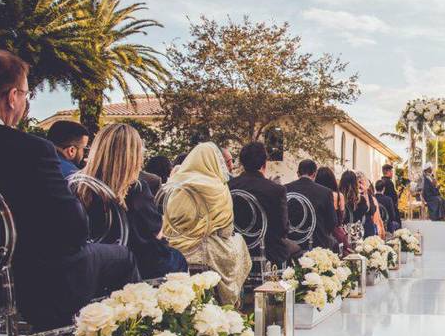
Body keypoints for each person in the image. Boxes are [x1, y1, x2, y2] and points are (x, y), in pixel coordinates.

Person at [0, 50, 139, 328]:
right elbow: (71, 229)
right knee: (122, 256)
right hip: (31, 282)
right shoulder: (31, 150)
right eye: (26, 95)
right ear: (12, 97)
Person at [79, 123, 188, 279]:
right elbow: (154, 233)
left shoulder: (80, 185)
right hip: (134, 265)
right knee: (177, 258)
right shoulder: (135, 188)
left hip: (92, 264)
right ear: (134, 155)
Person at [162, 142, 251, 305]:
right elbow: (226, 230)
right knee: (239, 244)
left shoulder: (174, 184)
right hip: (209, 250)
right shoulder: (218, 188)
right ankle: (233, 303)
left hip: (175, 246)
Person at [228, 141, 301, 265]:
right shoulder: (276, 190)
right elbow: (282, 228)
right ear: (264, 163)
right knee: (297, 249)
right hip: (269, 250)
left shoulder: (229, 186)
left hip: (235, 247)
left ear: (242, 163)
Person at [285, 159, 337, 250]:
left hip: (289, 242)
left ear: (298, 173)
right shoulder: (325, 192)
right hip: (316, 243)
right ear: (314, 174)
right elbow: (332, 222)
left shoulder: (284, 189)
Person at [315, 166, 348, 252]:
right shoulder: (339, 195)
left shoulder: (317, 195)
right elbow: (341, 217)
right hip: (336, 233)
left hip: (319, 232)